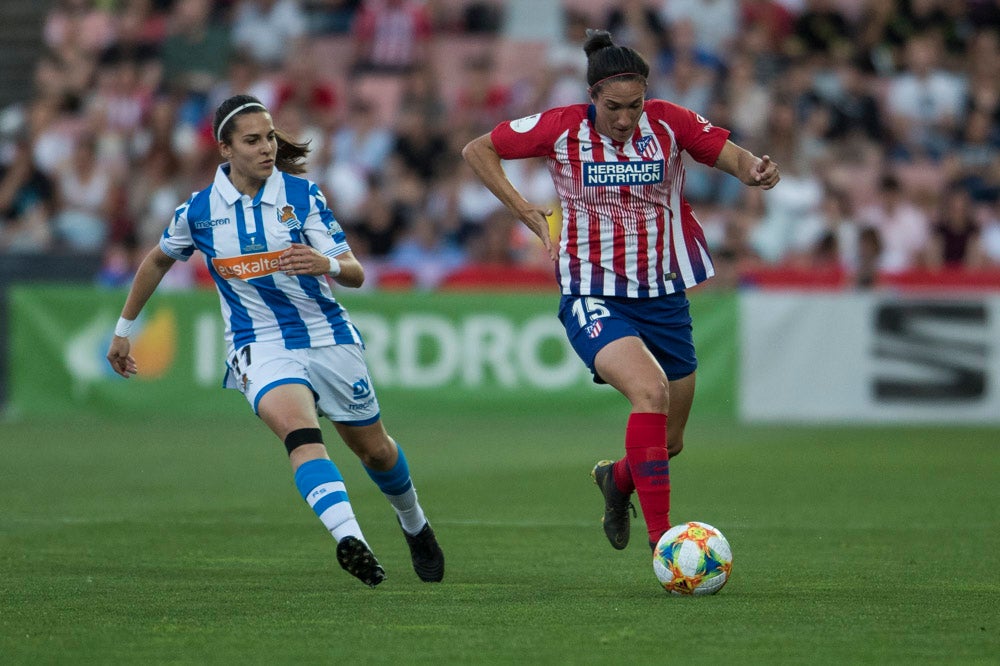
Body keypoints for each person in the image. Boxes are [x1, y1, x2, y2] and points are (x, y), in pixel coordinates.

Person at [106, 94, 444, 587]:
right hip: (256, 342)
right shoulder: (198, 211)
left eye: (269, 137)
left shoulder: (302, 196)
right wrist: (123, 330)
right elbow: (158, 258)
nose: (266, 148)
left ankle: (415, 523)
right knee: (301, 435)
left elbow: (355, 273)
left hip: (327, 337)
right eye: (252, 140)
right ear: (225, 149)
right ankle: (353, 541)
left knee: (375, 451)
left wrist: (324, 263)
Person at [462, 30, 779, 553]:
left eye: (635, 105)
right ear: (592, 98)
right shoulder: (559, 127)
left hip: (665, 295)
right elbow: (479, 150)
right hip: (591, 291)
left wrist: (756, 170)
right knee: (648, 392)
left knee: (669, 442)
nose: (626, 119)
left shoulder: (670, 122)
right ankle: (667, 546)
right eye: (614, 107)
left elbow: (733, 156)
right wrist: (522, 210)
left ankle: (618, 479)